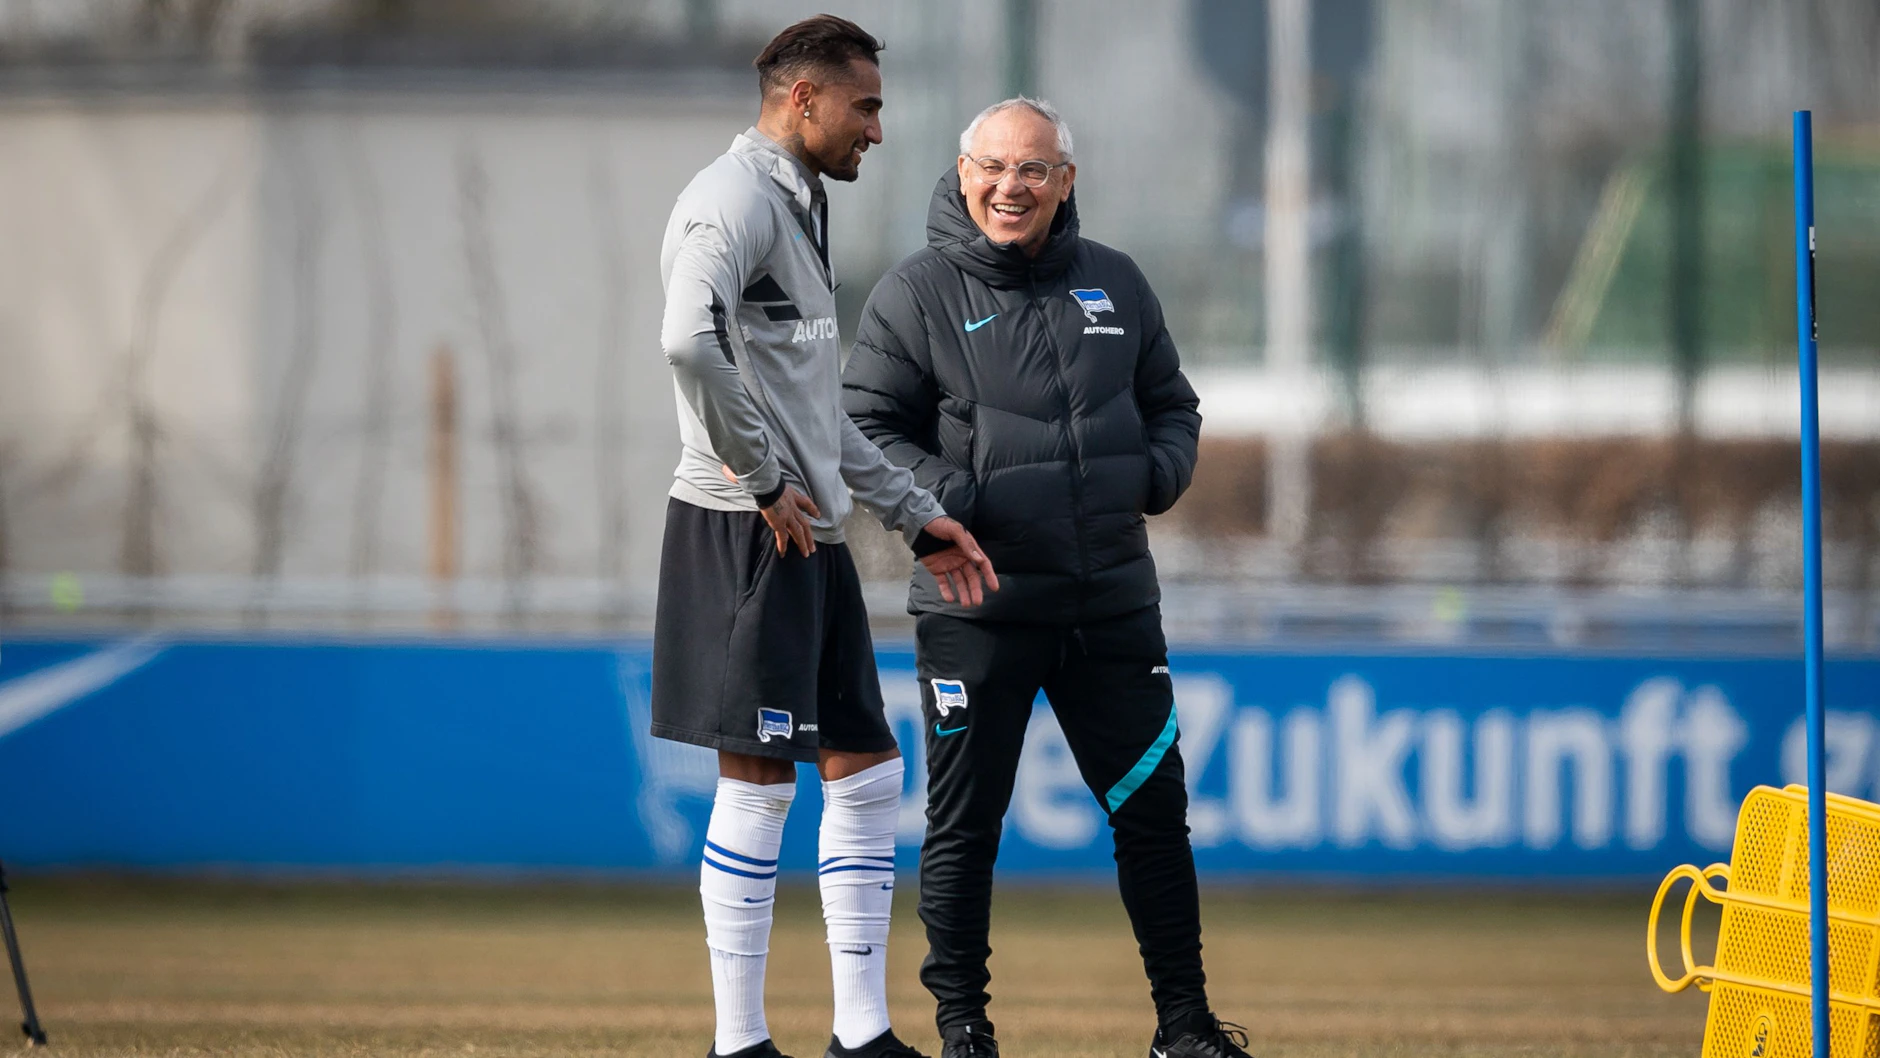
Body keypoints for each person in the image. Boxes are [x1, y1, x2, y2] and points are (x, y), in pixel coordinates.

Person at [842, 98, 1251, 1058]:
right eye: (992, 167)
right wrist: (951, 504)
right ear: (963, 172)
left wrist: (1152, 475)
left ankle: (1185, 1028)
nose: (1009, 187)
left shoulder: (1117, 281)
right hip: (977, 607)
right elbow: (863, 426)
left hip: (1112, 605)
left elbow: (1174, 406)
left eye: (1032, 169)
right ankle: (964, 1029)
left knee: (1154, 817)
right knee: (965, 826)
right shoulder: (915, 293)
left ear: (1065, 182)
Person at [651, 17, 998, 1058]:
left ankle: (862, 1034)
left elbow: (815, 407)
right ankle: (739, 1041)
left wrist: (912, 511)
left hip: (811, 531)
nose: (877, 130)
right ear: (802, 99)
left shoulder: (796, 202)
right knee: (759, 782)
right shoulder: (728, 199)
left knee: (867, 769)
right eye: (866, 106)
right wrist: (761, 476)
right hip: (744, 527)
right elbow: (685, 340)